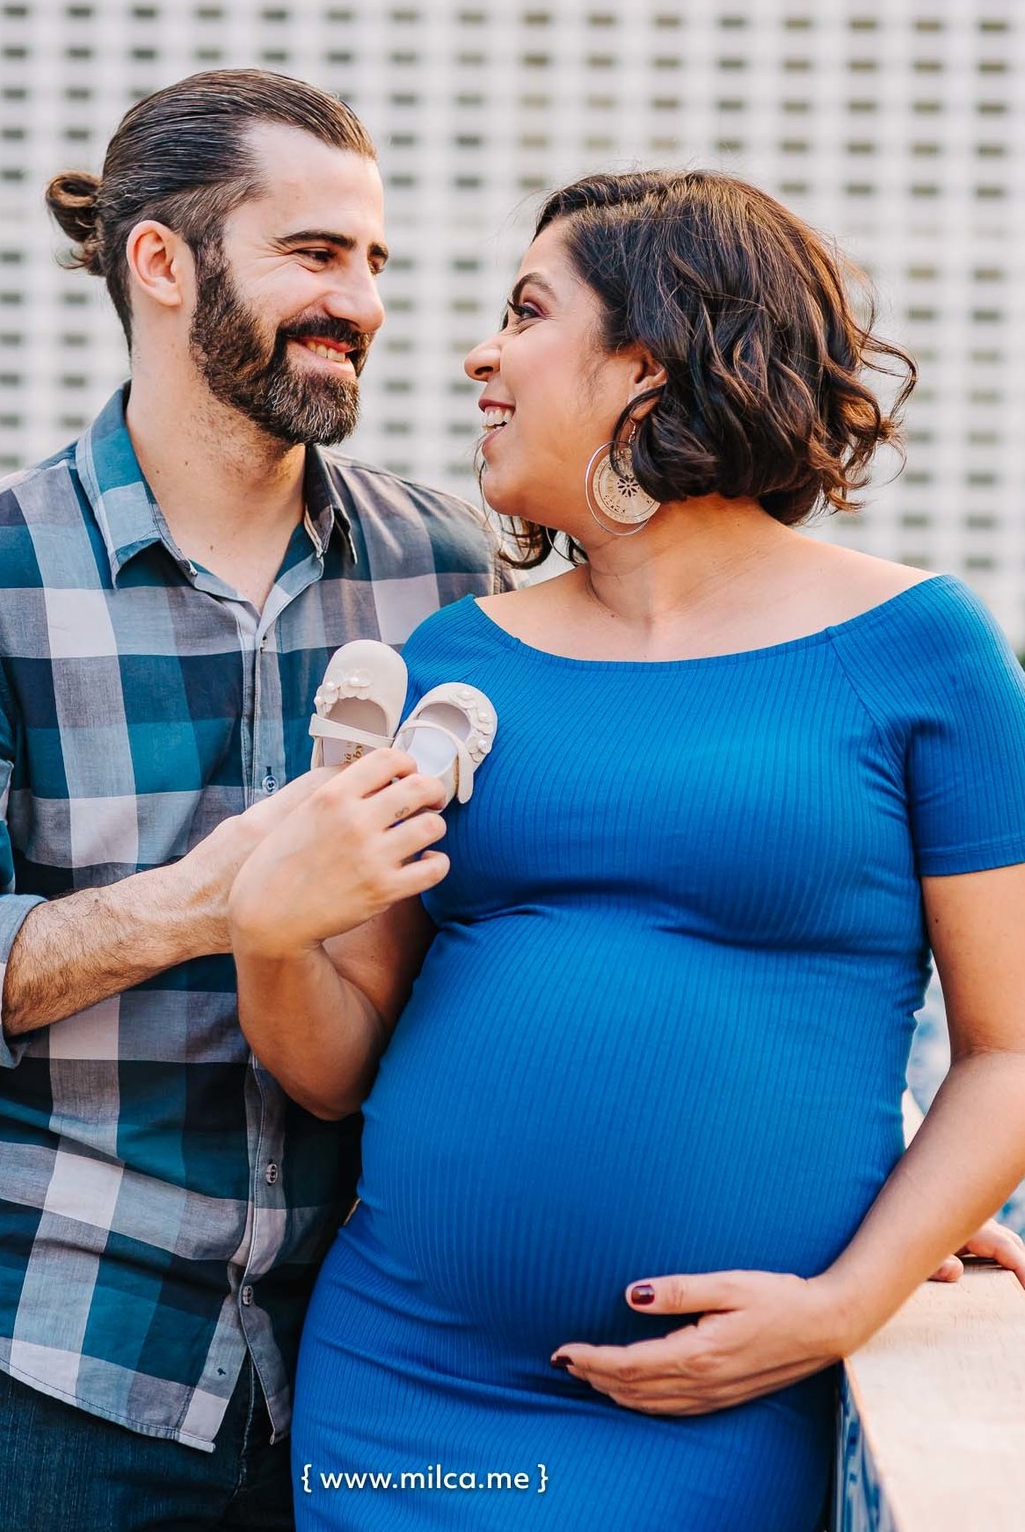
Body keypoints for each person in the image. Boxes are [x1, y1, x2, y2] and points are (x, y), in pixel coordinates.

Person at [226, 171, 1025, 1530]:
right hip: (403, 1392)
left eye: (527, 311)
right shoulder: (458, 660)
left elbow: (1008, 1049)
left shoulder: (924, 653)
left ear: (653, 361)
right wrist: (267, 932)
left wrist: (847, 1301)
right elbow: (332, 1070)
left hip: (724, 1401)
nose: (478, 351)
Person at [0, 69, 506, 1532]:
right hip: (48, 1340)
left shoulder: (449, 576)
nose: (366, 304)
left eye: (375, 262)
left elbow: (586, 905)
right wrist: (204, 906)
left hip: (362, 1348)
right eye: (315, 256)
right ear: (162, 261)